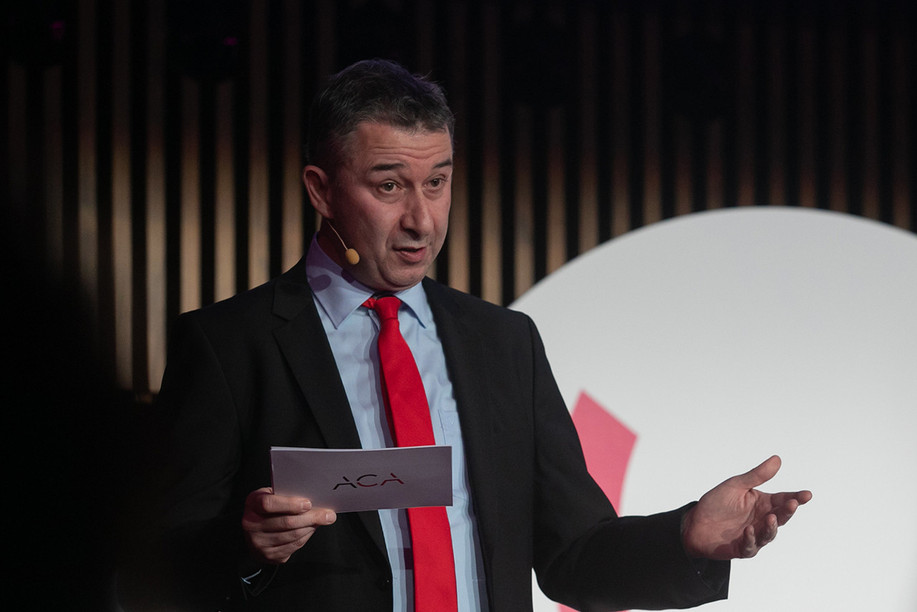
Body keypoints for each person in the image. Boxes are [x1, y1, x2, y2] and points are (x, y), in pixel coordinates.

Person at [126, 58, 811, 611]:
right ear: (321, 189)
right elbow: (149, 571)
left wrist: (686, 539)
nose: (421, 220)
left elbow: (574, 557)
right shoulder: (230, 345)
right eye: (389, 186)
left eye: (438, 182)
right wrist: (245, 548)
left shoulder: (503, 343)